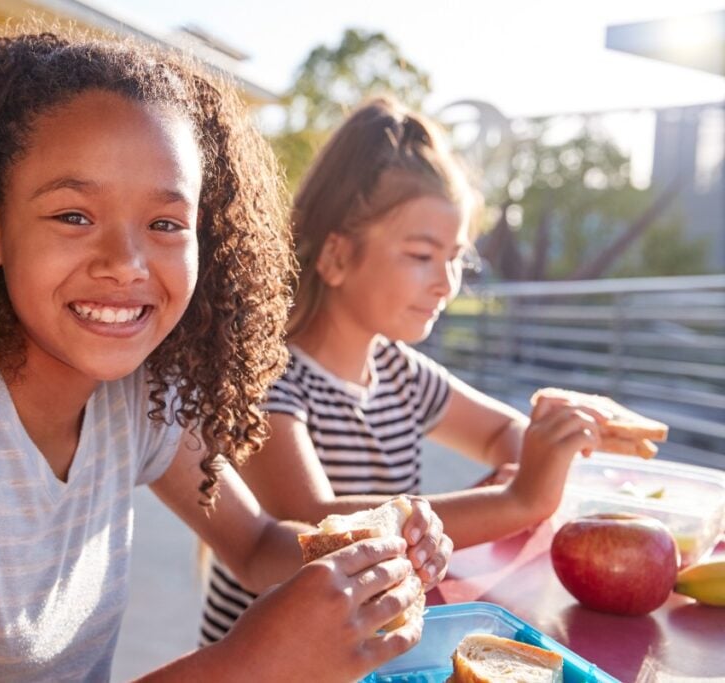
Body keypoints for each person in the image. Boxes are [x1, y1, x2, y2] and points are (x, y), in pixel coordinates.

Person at [0, 30, 450, 683]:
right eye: (74, 215)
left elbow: (256, 544)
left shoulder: (136, 399)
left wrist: (375, 546)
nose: (126, 264)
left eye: (165, 224)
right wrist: (249, 664)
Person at [200, 97, 604, 644]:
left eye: (456, 258)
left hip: (370, 653)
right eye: (421, 255)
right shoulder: (271, 377)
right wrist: (517, 501)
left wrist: (532, 461)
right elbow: (313, 524)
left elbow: (504, 434)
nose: (446, 283)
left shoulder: (399, 371)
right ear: (338, 257)